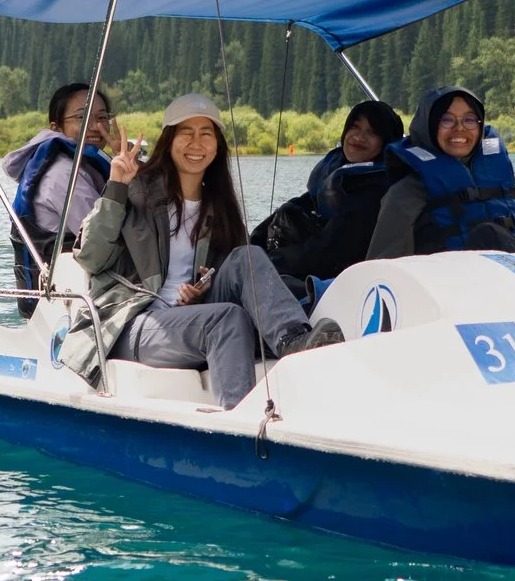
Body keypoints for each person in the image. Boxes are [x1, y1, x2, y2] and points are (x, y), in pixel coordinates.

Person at [56, 93, 340, 408]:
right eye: (186, 133)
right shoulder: (136, 189)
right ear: (168, 141)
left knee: (247, 256)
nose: (196, 143)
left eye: (206, 134)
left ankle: (295, 341)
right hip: (130, 323)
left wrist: (201, 292)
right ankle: (238, 425)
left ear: (217, 146)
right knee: (226, 318)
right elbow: (91, 257)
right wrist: (116, 187)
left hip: (189, 319)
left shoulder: (219, 207)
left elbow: (232, 279)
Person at [366, 85, 515, 260]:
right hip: (449, 298)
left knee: (490, 234)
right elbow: (386, 267)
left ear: (480, 127)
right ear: (429, 126)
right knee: (488, 234)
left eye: (469, 120)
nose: (459, 129)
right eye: (446, 120)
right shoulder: (405, 194)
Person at [251, 99, 405, 287]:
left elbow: (330, 248)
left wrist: (270, 262)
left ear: (386, 141)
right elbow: (301, 204)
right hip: (310, 260)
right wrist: (252, 245)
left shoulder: (376, 190)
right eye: (355, 127)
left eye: (372, 132)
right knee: (287, 211)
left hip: (339, 280)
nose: (359, 137)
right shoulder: (338, 169)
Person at [1, 82, 114, 300]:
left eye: (101, 118)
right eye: (82, 118)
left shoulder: (80, 165)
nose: (94, 126)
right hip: (67, 298)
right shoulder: (62, 173)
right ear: (56, 127)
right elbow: (99, 240)